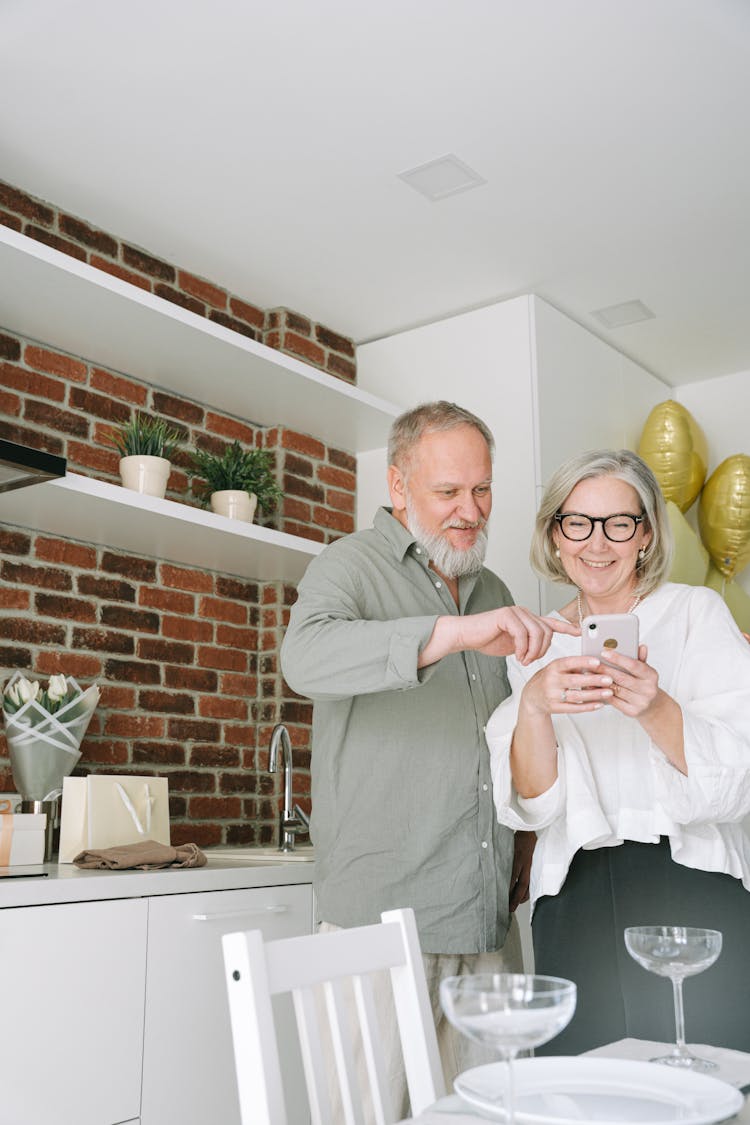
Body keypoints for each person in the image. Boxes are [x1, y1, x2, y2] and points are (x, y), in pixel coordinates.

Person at [281, 400, 576, 1113]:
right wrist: (453, 632)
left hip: (482, 923)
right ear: (399, 486)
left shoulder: (495, 588)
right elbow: (304, 657)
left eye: (482, 490)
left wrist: (526, 849)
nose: (469, 510)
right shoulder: (348, 564)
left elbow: (511, 736)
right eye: (448, 491)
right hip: (377, 928)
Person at [486, 448, 750, 1055]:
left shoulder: (693, 613)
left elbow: (737, 774)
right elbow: (534, 803)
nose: (596, 543)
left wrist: (656, 707)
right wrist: (534, 707)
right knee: (582, 1089)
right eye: (576, 522)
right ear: (555, 536)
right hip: (573, 893)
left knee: (704, 1078)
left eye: (618, 523)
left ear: (646, 534)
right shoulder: (534, 644)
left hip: (690, 880)